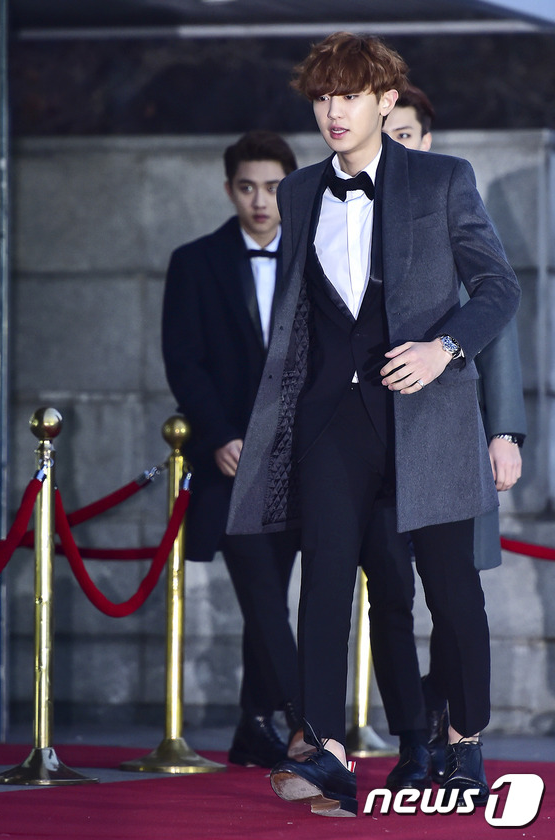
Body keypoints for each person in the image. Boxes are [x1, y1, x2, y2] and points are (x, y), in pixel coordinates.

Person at [227, 33, 521, 818]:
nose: (334, 110)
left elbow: (499, 288)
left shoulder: (443, 178)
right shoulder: (299, 193)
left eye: (350, 95)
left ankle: (464, 740)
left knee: (450, 591)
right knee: (325, 579)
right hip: (333, 416)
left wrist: (444, 348)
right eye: (323, 96)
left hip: (429, 410)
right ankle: (326, 747)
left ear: (385, 101)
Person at [355, 85, 527, 792]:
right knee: (390, 597)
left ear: (426, 139)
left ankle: (463, 738)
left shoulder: (454, 197)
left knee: (455, 593)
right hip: (373, 432)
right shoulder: (348, 206)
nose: (395, 144)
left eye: (406, 133)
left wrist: (505, 430)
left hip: (452, 427)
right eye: (385, 133)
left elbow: (498, 322)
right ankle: (413, 739)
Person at [161, 130, 303, 769]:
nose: (260, 201)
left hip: (299, 459)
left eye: (272, 188)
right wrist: (219, 435)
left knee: (272, 591)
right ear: (229, 190)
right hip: (231, 460)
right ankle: (307, 720)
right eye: (247, 187)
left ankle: (253, 725)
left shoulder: (316, 258)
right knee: (263, 593)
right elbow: (183, 362)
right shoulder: (195, 262)